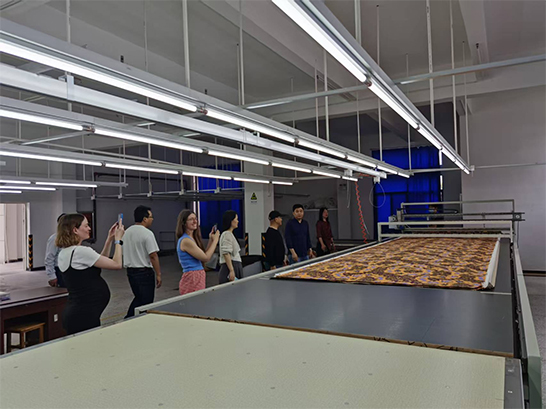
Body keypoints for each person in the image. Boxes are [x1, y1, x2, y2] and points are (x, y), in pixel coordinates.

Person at [56, 213, 124, 335]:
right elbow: (117, 264)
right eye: (86, 225)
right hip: (84, 315)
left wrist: (109, 239)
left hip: (79, 312)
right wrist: (118, 240)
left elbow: (100, 261)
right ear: (75, 230)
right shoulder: (81, 252)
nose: (89, 228)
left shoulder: (66, 252)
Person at [123, 206, 162, 318]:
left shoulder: (126, 232)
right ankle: (130, 319)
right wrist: (158, 274)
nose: (152, 219)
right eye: (151, 217)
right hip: (144, 273)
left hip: (131, 272)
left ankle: (130, 318)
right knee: (146, 302)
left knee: (139, 298)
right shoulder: (147, 233)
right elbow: (153, 255)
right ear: (145, 219)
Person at [176, 209, 220, 295]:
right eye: (191, 219)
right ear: (184, 223)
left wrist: (211, 239)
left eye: (195, 218)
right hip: (192, 278)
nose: (195, 221)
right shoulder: (186, 241)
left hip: (197, 276)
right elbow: (206, 258)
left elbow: (203, 255)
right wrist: (216, 240)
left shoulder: (192, 239)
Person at [218, 210, 243, 284]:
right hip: (230, 266)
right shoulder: (227, 234)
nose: (238, 221)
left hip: (234, 265)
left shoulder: (230, 234)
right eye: (236, 219)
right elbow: (226, 253)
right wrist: (231, 270)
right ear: (231, 221)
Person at [45, 213, 66, 287]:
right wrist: (52, 276)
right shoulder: (54, 238)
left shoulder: (73, 238)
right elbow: (49, 258)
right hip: (59, 270)